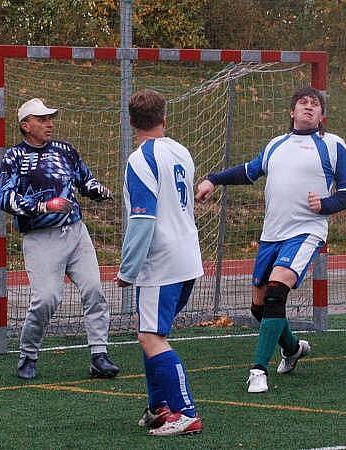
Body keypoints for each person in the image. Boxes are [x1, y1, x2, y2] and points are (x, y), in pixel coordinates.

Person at [196, 86, 346, 393]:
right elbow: (249, 171)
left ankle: (258, 370)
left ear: (322, 115)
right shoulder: (276, 145)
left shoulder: (333, 145)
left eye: (315, 105)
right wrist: (214, 179)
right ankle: (293, 348)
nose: (309, 107)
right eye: (303, 103)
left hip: (306, 231)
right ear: (292, 112)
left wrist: (325, 204)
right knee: (259, 308)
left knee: (275, 294)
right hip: (271, 235)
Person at [0, 98, 119, 380]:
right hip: (41, 239)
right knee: (46, 300)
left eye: (50, 118)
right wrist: (43, 206)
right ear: (26, 126)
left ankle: (99, 355)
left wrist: (98, 189)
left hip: (76, 233)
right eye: (42, 119)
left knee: (94, 291)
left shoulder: (65, 150)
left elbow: (84, 179)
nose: (49, 123)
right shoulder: (13, 157)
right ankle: (28, 355)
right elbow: (4, 198)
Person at [115, 90, 204, 436]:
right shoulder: (181, 152)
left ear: (131, 122)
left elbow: (143, 220)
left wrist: (127, 269)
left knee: (151, 337)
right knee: (150, 333)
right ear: (164, 119)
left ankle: (185, 413)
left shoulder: (140, 159)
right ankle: (158, 408)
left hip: (161, 262)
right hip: (188, 257)